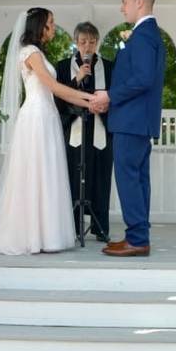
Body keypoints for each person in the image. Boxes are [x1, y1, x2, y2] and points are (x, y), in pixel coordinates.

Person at [0, 8, 95, 255]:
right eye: (50, 22)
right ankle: (34, 235)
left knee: (46, 172)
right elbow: (53, 87)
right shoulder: (31, 53)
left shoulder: (37, 53)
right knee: (37, 172)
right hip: (37, 116)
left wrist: (85, 98)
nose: (53, 26)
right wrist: (89, 99)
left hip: (46, 115)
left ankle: (47, 234)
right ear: (40, 26)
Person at [92, 0, 166, 257]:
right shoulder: (147, 34)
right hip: (136, 121)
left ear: (138, 3)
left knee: (129, 179)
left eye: (124, 2)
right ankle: (138, 235)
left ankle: (136, 238)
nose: (122, 7)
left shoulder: (144, 36)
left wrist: (109, 95)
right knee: (138, 179)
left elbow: (143, 79)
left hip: (131, 121)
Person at [55, 22, 114, 242]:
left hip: (100, 129)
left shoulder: (108, 67)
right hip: (75, 131)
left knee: (101, 177)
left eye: (91, 42)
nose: (87, 47)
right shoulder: (63, 67)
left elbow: (115, 95)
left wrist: (105, 106)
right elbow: (58, 99)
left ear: (97, 42)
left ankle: (100, 227)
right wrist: (77, 79)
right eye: (83, 42)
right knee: (73, 176)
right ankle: (72, 227)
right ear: (75, 42)